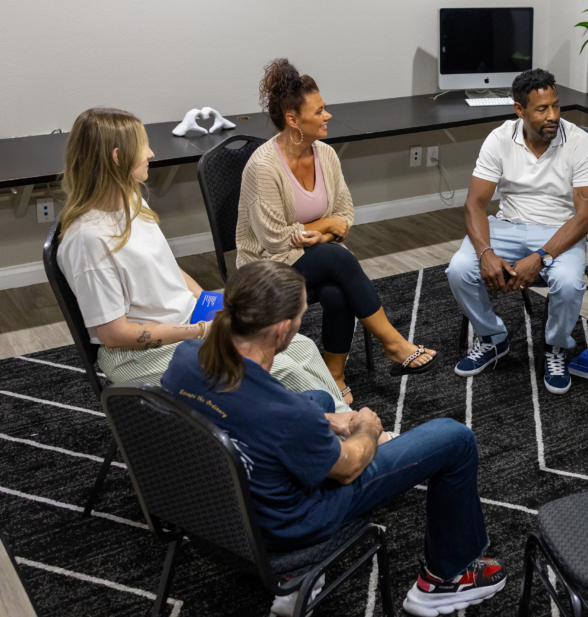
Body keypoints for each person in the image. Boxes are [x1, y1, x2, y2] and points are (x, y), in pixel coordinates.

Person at [161, 260, 506, 617]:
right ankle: (446, 579)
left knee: (321, 397)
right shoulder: (286, 415)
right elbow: (349, 466)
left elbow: (250, 415)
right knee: (454, 438)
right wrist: (367, 430)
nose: (301, 323)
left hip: (213, 508)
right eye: (300, 317)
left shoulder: (187, 358)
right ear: (281, 330)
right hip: (286, 528)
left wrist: (323, 418)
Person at [56, 108, 350, 410]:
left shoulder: (130, 200)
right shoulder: (88, 240)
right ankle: (346, 439)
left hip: (186, 321)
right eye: (142, 146)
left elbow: (166, 269)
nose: (151, 153)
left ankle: (346, 423)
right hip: (137, 355)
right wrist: (201, 330)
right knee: (279, 369)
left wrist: (211, 305)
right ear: (118, 157)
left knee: (301, 347)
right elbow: (114, 335)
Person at [237, 58, 440, 404]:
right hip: (266, 267)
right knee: (337, 261)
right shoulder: (263, 166)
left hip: (315, 258)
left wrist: (325, 232)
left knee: (335, 289)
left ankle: (334, 375)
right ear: (292, 119)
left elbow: (345, 216)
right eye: (319, 111)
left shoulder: (327, 156)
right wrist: (327, 227)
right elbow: (274, 239)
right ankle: (394, 343)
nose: (327, 115)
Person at [446, 68, 588, 394]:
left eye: (556, 106)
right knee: (459, 269)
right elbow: (474, 205)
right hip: (508, 226)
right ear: (519, 110)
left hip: (562, 230)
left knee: (570, 282)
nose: (553, 116)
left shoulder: (580, 142)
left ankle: (556, 346)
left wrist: (542, 256)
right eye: (542, 109)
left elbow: (586, 217)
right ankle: (492, 337)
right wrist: (486, 253)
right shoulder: (500, 139)